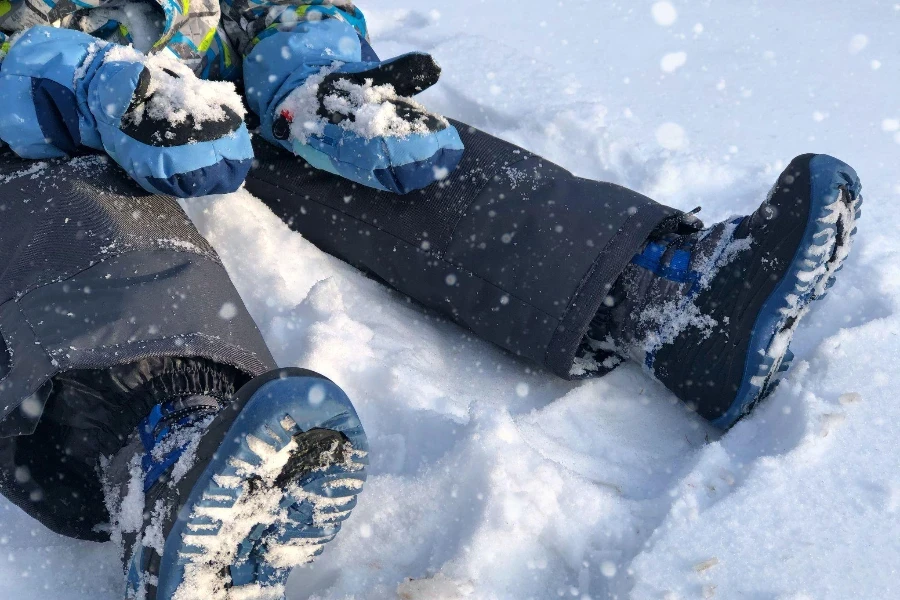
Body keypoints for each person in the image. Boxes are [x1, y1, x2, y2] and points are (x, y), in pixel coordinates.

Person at [0, 2, 863, 600]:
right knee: (69, 211)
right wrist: (70, 83)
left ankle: (670, 301)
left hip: (204, 103)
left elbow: (283, 9)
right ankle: (170, 459)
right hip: (26, 141)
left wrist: (309, 79)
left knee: (383, 151)